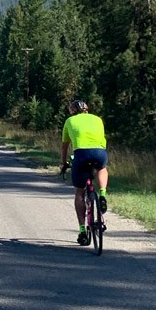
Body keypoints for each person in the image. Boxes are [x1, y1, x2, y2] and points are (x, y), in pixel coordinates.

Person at [60, 100, 108, 246]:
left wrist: (63, 163)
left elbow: (65, 146)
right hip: (100, 153)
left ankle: (82, 231)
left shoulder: (70, 121)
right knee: (102, 168)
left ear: (72, 111)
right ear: (87, 110)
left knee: (79, 193)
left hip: (81, 155)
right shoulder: (97, 119)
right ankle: (103, 194)